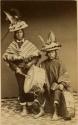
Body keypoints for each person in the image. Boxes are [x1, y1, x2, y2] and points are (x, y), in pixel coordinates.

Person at [2, 10, 41, 116]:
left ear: (23, 32)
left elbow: (37, 55)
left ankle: (30, 105)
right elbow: (8, 58)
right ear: (15, 34)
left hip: (29, 69)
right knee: (21, 88)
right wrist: (16, 68)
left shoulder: (28, 44)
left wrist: (31, 63)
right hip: (18, 70)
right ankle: (24, 107)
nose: (19, 34)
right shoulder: (12, 45)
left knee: (30, 87)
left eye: (21, 32)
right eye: (17, 32)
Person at [40, 31, 75, 120]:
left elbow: (64, 74)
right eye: (49, 53)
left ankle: (55, 112)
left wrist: (61, 84)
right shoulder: (43, 64)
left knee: (57, 91)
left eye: (53, 52)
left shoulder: (60, 63)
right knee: (38, 91)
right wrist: (42, 84)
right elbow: (40, 75)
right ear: (47, 53)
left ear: (56, 52)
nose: (51, 54)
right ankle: (41, 110)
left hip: (58, 85)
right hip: (47, 86)